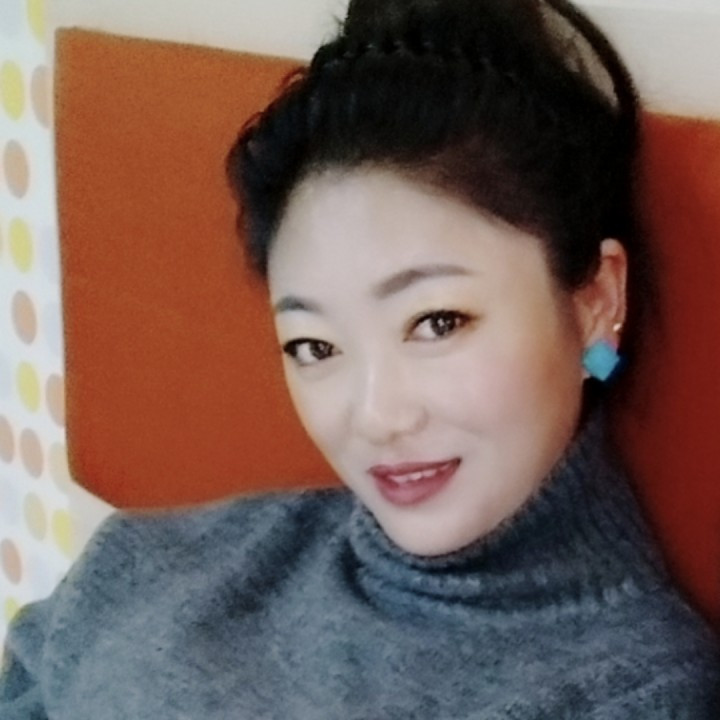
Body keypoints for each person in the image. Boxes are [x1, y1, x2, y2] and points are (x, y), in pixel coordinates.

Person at [2, 0, 719, 717]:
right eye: (314, 346)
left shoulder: (630, 692)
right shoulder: (148, 564)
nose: (375, 416)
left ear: (595, 300)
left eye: (437, 322)